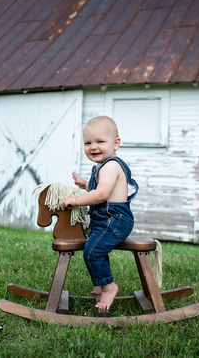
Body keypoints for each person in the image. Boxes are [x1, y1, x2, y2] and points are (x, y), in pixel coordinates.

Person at [63, 116, 138, 311]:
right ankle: (99, 284)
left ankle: (109, 287)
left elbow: (102, 194)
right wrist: (85, 185)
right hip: (104, 220)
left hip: (115, 220)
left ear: (116, 144)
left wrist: (76, 200)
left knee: (93, 251)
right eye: (88, 143)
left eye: (100, 142)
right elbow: (102, 190)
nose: (93, 147)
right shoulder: (101, 167)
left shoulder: (112, 165)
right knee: (93, 249)